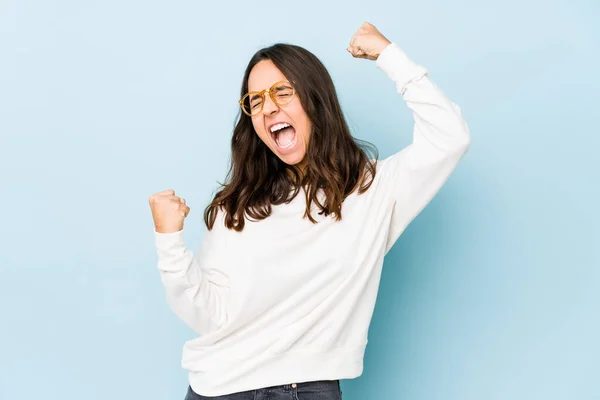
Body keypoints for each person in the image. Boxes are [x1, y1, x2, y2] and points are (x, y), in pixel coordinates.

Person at [148, 22, 471, 400]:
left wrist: (388, 55)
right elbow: (208, 316)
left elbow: (450, 136)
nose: (268, 108)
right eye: (255, 101)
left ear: (315, 99)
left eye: (282, 92)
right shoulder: (237, 207)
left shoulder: (373, 191)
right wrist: (169, 242)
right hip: (216, 389)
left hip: (307, 390)